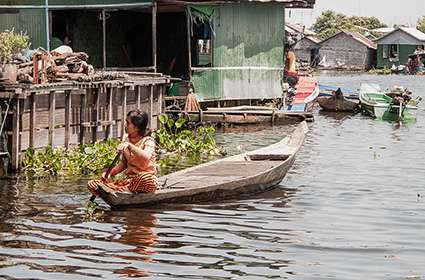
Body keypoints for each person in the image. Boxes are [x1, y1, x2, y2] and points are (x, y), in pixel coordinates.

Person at [87, 110, 158, 200]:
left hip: (144, 181)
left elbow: (146, 157)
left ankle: (124, 191)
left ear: (136, 128)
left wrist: (130, 146)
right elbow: (123, 164)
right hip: (129, 182)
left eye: (128, 123)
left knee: (144, 178)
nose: (125, 125)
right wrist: (110, 173)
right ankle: (123, 190)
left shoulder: (148, 141)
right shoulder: (126, 140)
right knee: (92, 184)